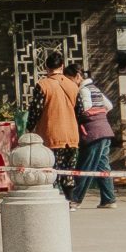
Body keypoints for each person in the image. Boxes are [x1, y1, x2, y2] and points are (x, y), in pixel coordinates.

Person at [27, 53, 81, 196]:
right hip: (72, 135)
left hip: (51, 134)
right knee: (68, 170)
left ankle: (55, 200)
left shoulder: (42, 85)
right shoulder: (73, 85)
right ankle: (70, 200)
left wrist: (29, 128)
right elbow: (80, 110)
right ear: (62, 66)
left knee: (52, 169)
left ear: (46, 67)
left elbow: (35, 110)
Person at [71, 70, 119, 208]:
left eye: (70, 78)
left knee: (85, 166)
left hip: (93, 133)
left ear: (78, 76)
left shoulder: (84, 90)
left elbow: (85, 108)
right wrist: (100, 115)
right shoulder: (95, 89)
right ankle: (109, 199)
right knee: (102, 167)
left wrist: (88, 116)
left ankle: (75, 200)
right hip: (105, 131)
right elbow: (109, 106)